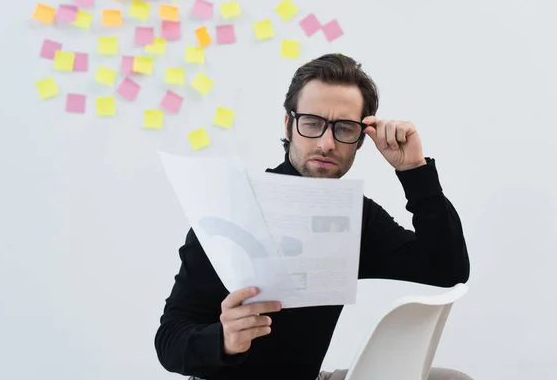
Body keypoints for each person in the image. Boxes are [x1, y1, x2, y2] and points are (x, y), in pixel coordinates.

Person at [154, 53, 470, 380]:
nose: (326, 143)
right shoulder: (232, 207)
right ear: (289, 125)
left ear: (362, 138)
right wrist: (223, 340)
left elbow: (446, 270)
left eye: (344, 128)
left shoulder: (354, 216)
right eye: (312, 123)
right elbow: (169, 341)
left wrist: (414, 171)